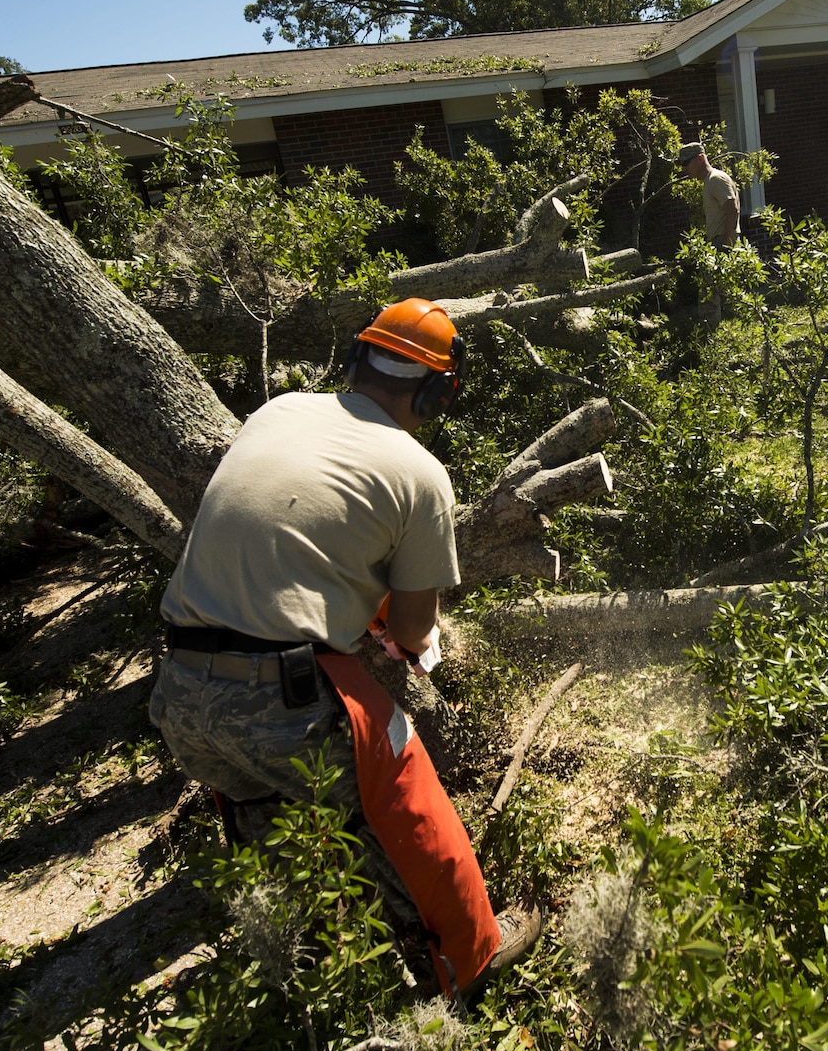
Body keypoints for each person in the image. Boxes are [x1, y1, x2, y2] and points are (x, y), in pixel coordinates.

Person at [150, 297, 540, 999]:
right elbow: (417, 635)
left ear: (357, 358)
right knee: (402, 783)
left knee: (265, 814)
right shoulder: (420, 473)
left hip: (179, 690)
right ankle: (470, 957)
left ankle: (306, 961)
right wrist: (394, 631)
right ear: (436, 391)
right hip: (281, 695)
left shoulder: (278, 410)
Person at [680, 141, 742, 249]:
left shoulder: (715, 179)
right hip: (717, 241)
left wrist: (728, 245)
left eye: (686, 163)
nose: (683, 168)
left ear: (700, 158)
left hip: (723, 241)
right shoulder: (709, 181)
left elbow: (732, 211)